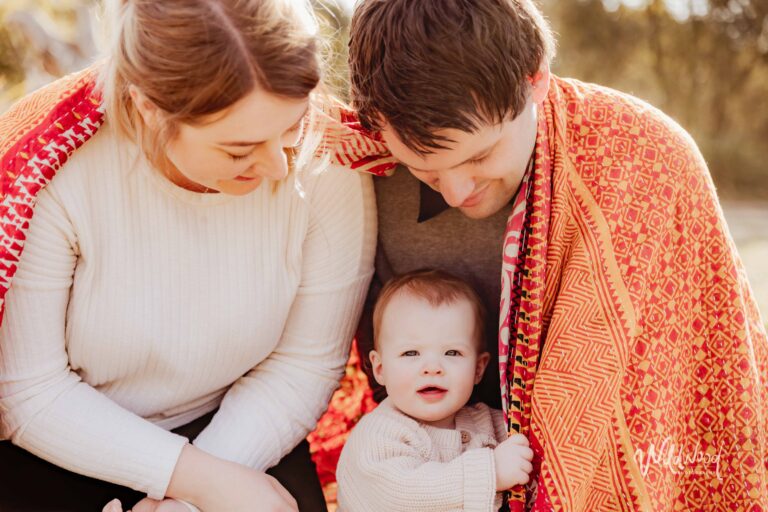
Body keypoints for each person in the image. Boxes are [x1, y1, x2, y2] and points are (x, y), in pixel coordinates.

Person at [348, 0, 768, 510]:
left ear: (535, 81)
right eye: (427, 169)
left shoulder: (646, 160)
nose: (457, 192)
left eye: (480, 156)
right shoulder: (358, 172)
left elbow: (691, 376)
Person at [0, 1, 392, 511]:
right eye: (238, 150)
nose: (278, 166)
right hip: (61, 444)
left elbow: (305, 365)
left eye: (291, 127)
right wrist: (198, 482)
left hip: (248, 435)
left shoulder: (325, 161)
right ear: (149, 110)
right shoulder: (49, 170)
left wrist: (195, 496)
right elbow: (28, 389)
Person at [337, 270, 533, 512]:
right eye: (411, 353)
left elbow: (532, 442)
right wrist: (491, 472)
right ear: (380, 368)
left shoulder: (486, 423)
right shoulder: (377, 436)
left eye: (452, 353)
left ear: (478, 368)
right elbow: (402, 496)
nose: (432, 368)